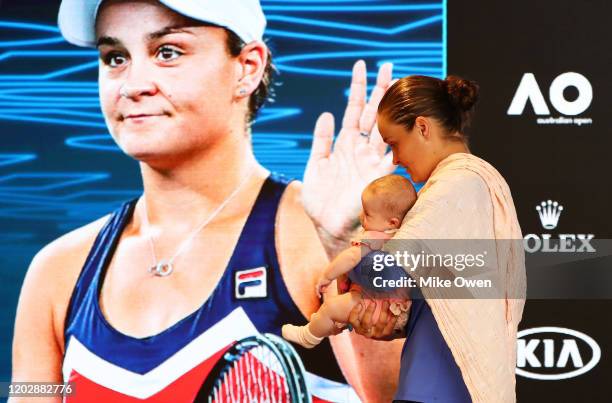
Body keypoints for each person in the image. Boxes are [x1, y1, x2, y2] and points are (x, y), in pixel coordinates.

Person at [10, 1, 404, 402]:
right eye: (115, 58)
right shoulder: (54, 272)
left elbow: (407, 393)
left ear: (247, 67)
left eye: (168, 52)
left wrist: (354, 246)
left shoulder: (329, 235)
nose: (132, 84)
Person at [315, 75, 526, 402]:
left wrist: (348, 262)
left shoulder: (457, 185)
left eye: (395, 143)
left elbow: (387, 273)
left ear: (423, 128)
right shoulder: (471, 182)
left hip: (438, 389)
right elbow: (433, 302)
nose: (396, 160)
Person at [282, 174, 416, 348]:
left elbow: (351, 257)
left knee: (330, 308)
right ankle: (333, 324)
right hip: (398, 312)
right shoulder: (403, 238)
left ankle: (309, 336)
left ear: (392, 222)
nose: (361, 217)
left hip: (373, 305)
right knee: (338, 309)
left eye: (367, 214)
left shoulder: (376, 238)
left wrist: (327, 275)